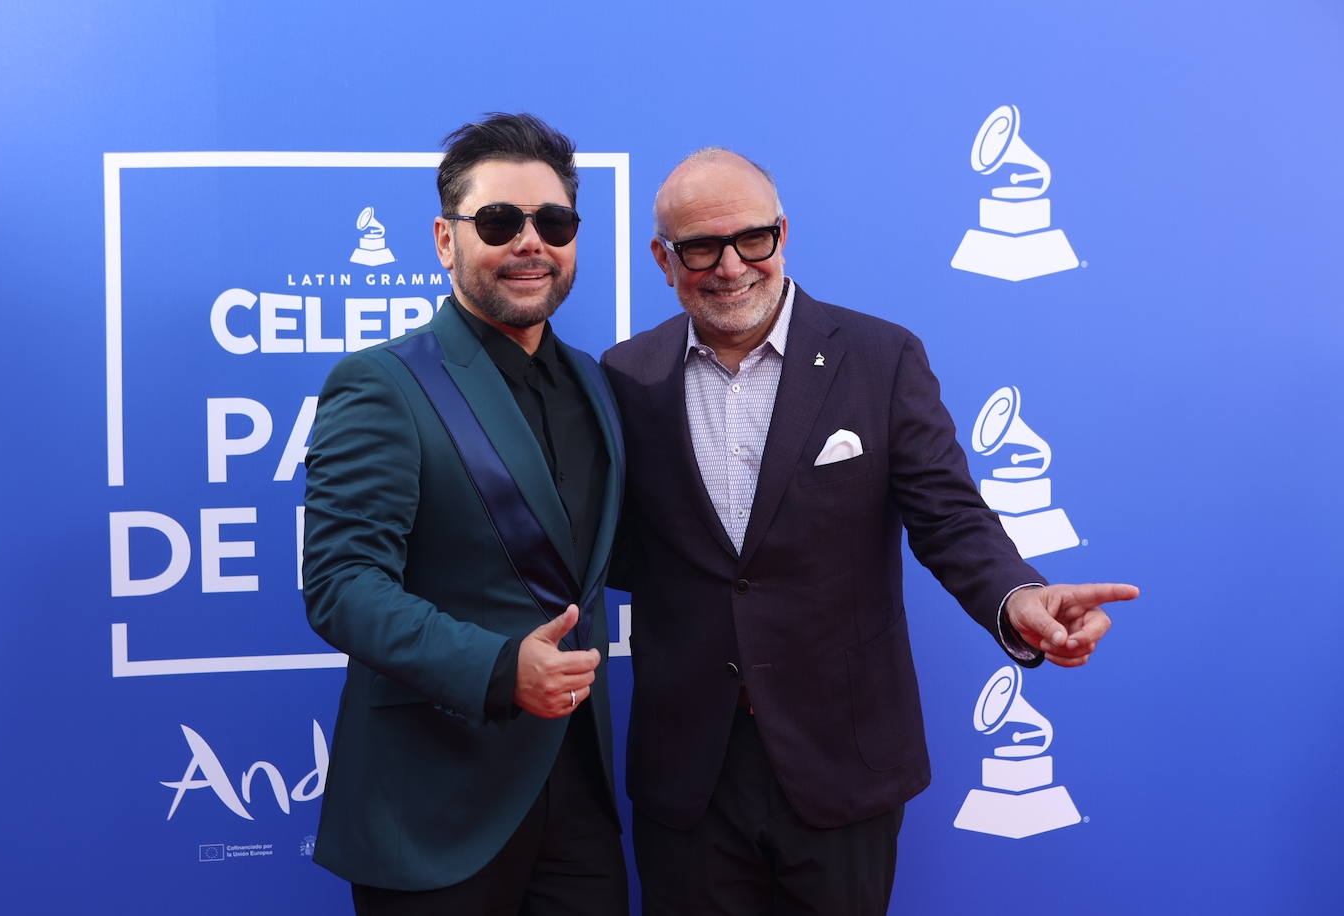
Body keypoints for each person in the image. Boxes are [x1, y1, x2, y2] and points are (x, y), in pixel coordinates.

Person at [602, 147, 1138, 915]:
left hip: (841, 757)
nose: (730, 266)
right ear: (662, 258)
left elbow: (949, 516)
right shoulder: (626, 377)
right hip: (690, 771)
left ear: (782, 234)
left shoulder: (880, 359)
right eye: (699, 247)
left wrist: (1016, 595)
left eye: (752, 239)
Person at [302, 113, 628, 915]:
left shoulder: (598, 385)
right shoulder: (382, 384)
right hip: (434, 804)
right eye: (498, 222)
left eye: (553, 223)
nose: (530, 243)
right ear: (446, 241)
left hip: (582, 798)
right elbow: (343, 585)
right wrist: (495, 668)